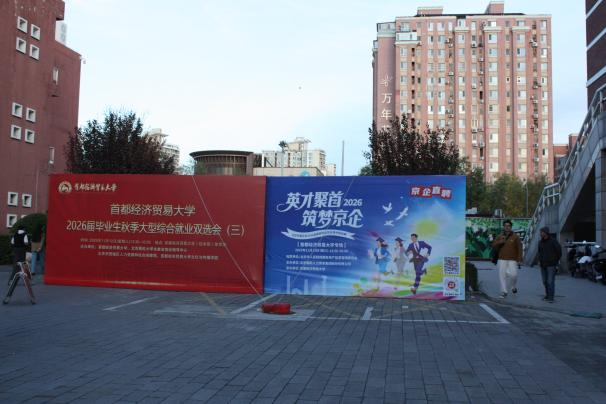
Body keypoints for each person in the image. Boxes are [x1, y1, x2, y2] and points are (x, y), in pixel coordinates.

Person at [492, 219, 523, 298]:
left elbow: (520, 248)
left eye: (508, 226)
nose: (507, 227)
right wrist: (500, 242)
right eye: (505, 226)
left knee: (513, 275)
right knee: (502, 275)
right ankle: (504, 291)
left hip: (512, 259)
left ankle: (513, 286)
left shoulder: (515, 237)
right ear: (503, 227)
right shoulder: (500, 236)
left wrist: (519, 259)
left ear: (511, 227)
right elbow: (493, 245)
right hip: (501, 259)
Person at [537, 226, 562, 302]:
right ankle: (547, 295)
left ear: (546, 233)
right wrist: (539, 260)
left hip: (551, 265)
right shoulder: (540, 242)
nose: (540, 234)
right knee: (544, 281)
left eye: (542, 232)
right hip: (543, 264)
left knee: (550, 281)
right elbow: (539, 252)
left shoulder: (553, 241)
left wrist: (555, 260)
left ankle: (551, 297)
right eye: (540, 232)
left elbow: (559, 251)